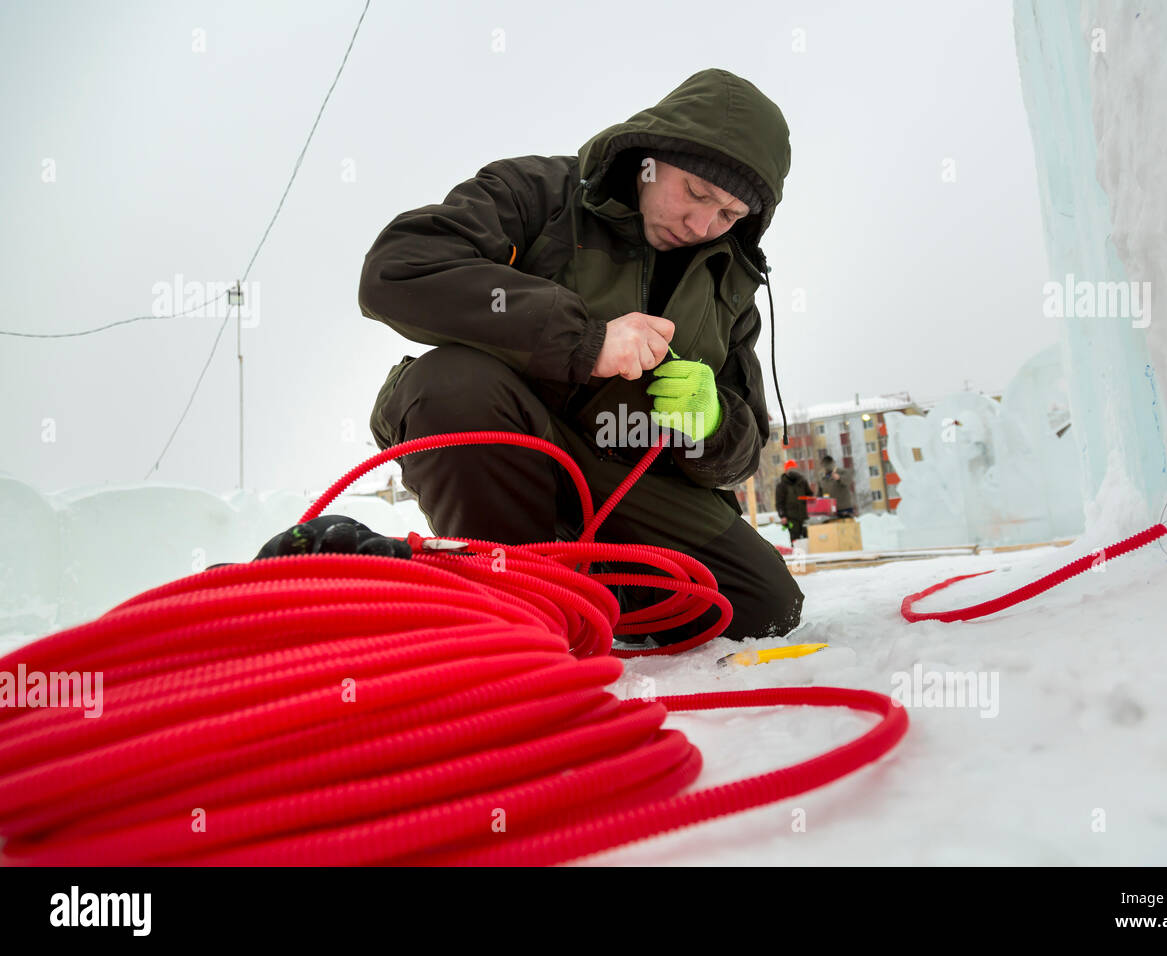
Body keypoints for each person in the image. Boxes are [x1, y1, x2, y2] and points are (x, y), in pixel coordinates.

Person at [353, 68, 802, 647]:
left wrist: (713, 421)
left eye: (730, 215)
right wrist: (583, 341)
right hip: (515, 447)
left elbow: (742, 454)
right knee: (451, 385)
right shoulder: (539, 193)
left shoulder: (729, 281)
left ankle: (594, 591)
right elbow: (399, 269)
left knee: (765, 608)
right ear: (652, 155)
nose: (702, 225)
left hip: (632, 482)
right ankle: (515, 598)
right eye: (695, 193)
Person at [775, 460, 813, 546]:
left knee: (808, 538)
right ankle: (798, 556)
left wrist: (809, 500)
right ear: (786, 470)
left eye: (793, 468)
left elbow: (810, 495)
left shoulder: (802, 482)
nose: (792, 471)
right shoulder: (781, 485)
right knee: (795, 540)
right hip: (791, 518)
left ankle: (809, 556)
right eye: (790, 469)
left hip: (804, 516)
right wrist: (783, 516)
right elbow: (779, 503)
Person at [818, 454, 857, 519]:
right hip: (830, 510)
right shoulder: (822, 477)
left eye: (828, 465)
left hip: (844, 509)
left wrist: (839, 478)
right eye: (824, 466)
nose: (825, 468)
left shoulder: (841, 472)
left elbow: (848, 479)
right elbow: (819, 494)